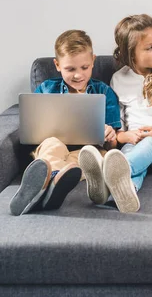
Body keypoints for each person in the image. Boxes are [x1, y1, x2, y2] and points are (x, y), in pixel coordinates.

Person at [79, 14, 152, 213]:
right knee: (125, 157)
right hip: (135, 145)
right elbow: (119, 134)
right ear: (131, 53)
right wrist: (126, 136)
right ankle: (122, 194)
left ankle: (103, 176)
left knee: (147, 146)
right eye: (149, 48)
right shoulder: (118, 79)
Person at [10, 30, 121, 216]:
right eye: (71, 69)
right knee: (52, 146)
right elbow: (32, 130)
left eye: (85, 67)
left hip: (86, 150)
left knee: (90, 159)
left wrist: (110, 135)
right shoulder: (46, 89)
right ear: (57, 65)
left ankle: (45, 188)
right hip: (51, 145)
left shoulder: (104, 92)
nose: (78, 75)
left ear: (93, 60)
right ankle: (52, 180)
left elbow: (114, 144)